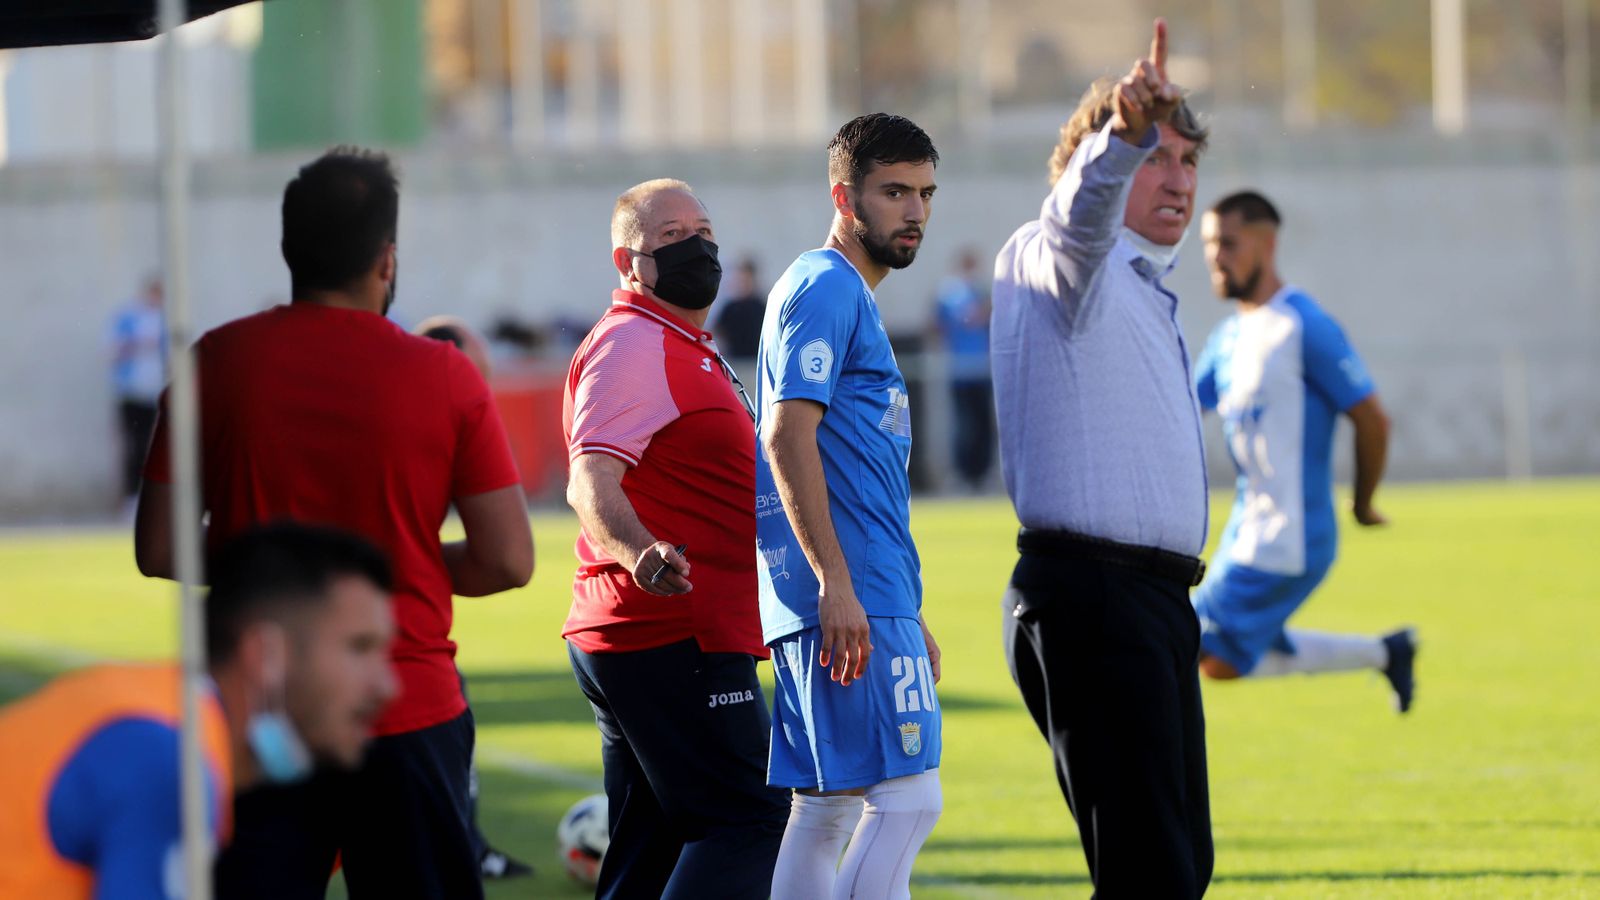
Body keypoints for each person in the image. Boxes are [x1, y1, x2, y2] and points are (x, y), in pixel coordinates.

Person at [134, 147, 534, 900]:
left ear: (290, 250)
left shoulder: (214, 363)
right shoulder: (446, 376)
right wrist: (386, 565)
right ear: (387, 260)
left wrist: (287, 570)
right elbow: (508, 560)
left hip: (264, 714)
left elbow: (158, 548)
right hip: (403, 704)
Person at [990, 20, 1213, 897]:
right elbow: (1079, 221)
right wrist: (1121, 137)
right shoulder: (1063, 261)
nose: (1179, 180)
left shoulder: (1139, 284)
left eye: (1189, 162)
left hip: (1146, 601)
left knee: (1175, 871)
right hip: (1096, 597)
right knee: (1150, 876)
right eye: (1159, 158)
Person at [562, 178, 788, 898]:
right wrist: (640, 553)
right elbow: (589, 480)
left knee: (651, 847)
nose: (698, 246)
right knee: (749, 819)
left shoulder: (680, 344)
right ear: (629, 262)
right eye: (670, 237)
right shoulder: (633, 344)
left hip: (657, 635)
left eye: (704, 229)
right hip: (669, 633)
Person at [0, 523, 398, 900]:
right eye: (359, 648)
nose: (388, 686)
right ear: (265, 655)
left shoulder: (165, 721)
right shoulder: (169, 760)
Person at [755, 113, 944, 900]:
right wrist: (838, 581)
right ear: (845, 195)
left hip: (861, 590)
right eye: (894, 191)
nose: (915, 211)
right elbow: (784, 433)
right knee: (907, 801)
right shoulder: (826, 284)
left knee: (826, 809)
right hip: (844, 589)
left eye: (926, 193)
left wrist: (906, 607)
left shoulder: (840, 292)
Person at [1193, 190, 1417, 709]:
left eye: (1227, 243)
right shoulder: (1228, 337)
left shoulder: (1302, 326)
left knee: (1173, 640)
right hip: (1245, 530)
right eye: (1207, 244)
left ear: (1266, 244)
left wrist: (1361, 503)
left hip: (1289, 538)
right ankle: (1386, 652)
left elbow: (1372, 418)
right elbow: (1178, 412)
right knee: (1219, 662)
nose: (1214, 256)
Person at [414, 315, 535, 881]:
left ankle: (472, 840)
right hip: (397, 653)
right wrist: (405, 566)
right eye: (477, 373)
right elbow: (510, 558)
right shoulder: (435, 416)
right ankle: (466, 845)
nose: (483, 388)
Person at [929, 247, 993, 491]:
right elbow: (937, 325)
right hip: (959, 369)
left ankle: (983, 473)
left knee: (983, 424)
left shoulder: (982, 291)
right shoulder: (949, 294)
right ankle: (963, 473)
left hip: (981, 368)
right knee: (963, 424)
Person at [108, 275, 166, 506]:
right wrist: (138, 344)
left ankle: (147, 498)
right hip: (132, 392)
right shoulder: (129, 318)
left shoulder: (164, 320)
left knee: (152, 447)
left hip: (155, 394)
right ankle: (131, 498)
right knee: (135, 445)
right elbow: (111, 351)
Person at [712, 256, 767, 359]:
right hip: (735, 360)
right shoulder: (730, 307)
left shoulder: (761, 306)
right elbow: (718, 330)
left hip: (755, 361)